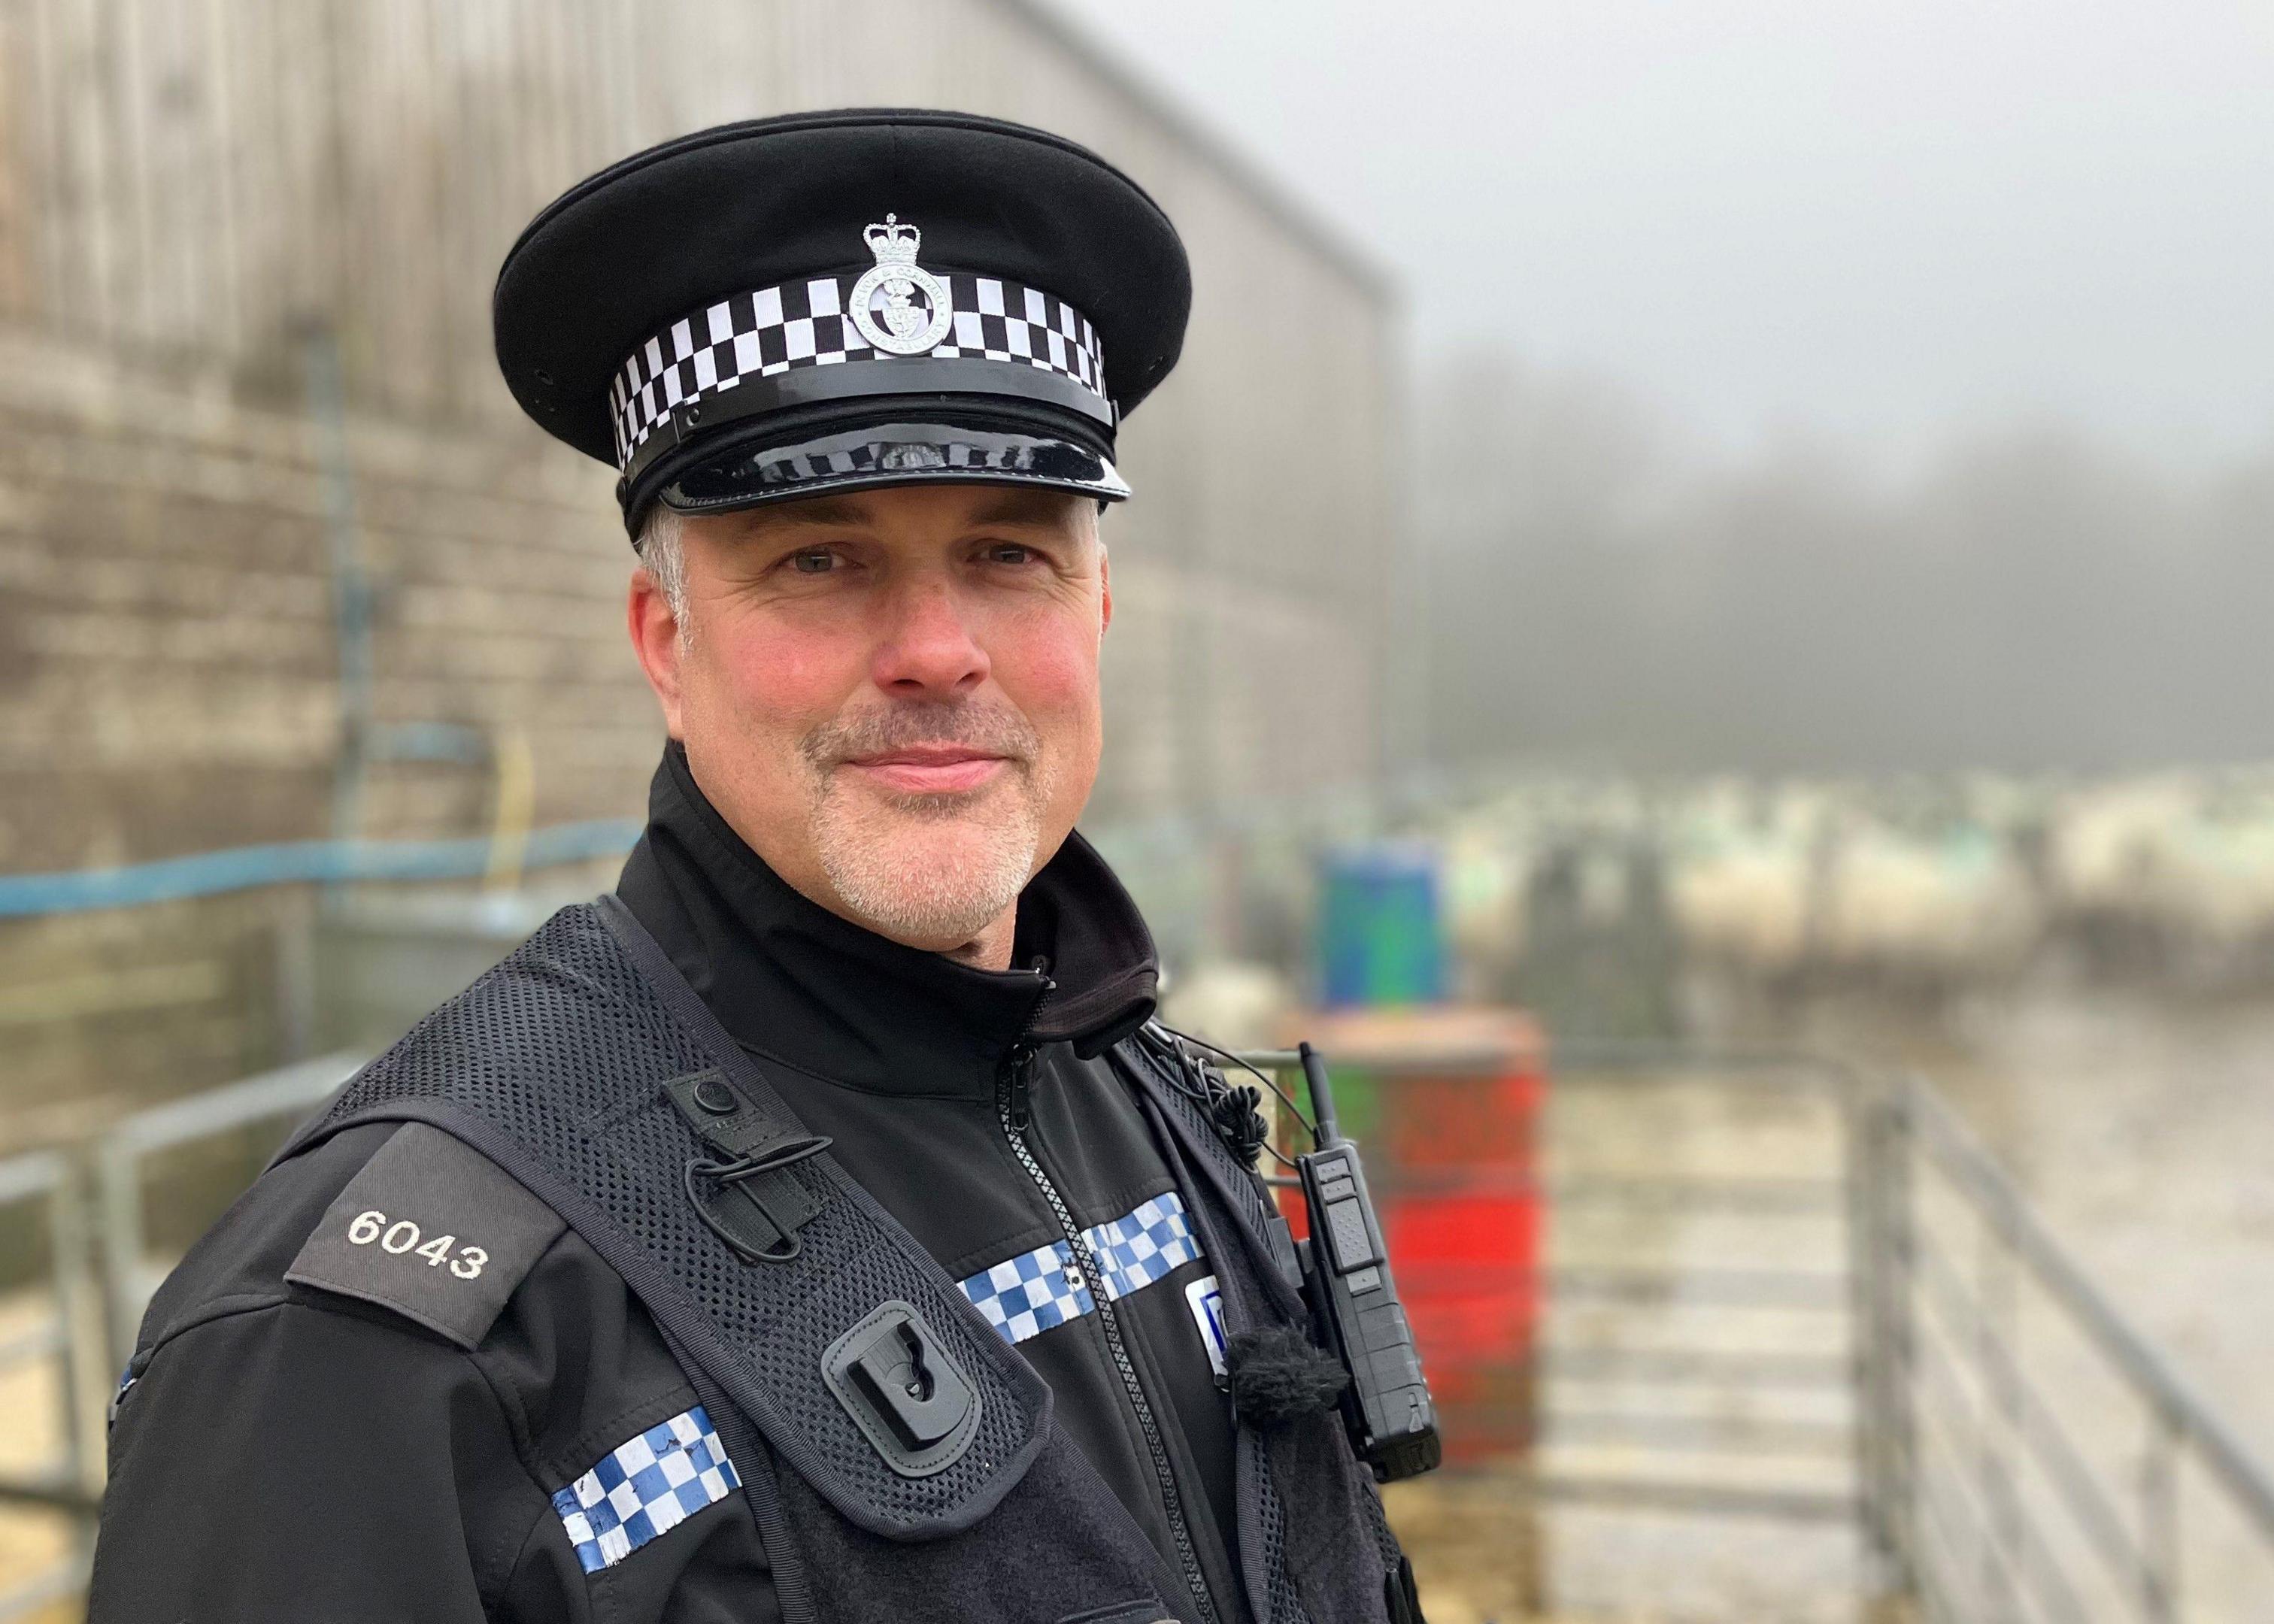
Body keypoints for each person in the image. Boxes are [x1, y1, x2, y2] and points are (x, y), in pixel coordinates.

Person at [89, 109, 1419, 1624]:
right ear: (667, 643)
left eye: (1009, 553)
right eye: (820, 559)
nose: (936, 652)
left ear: (1098, 609)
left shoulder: (1163, 1115)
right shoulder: (373, 1357)